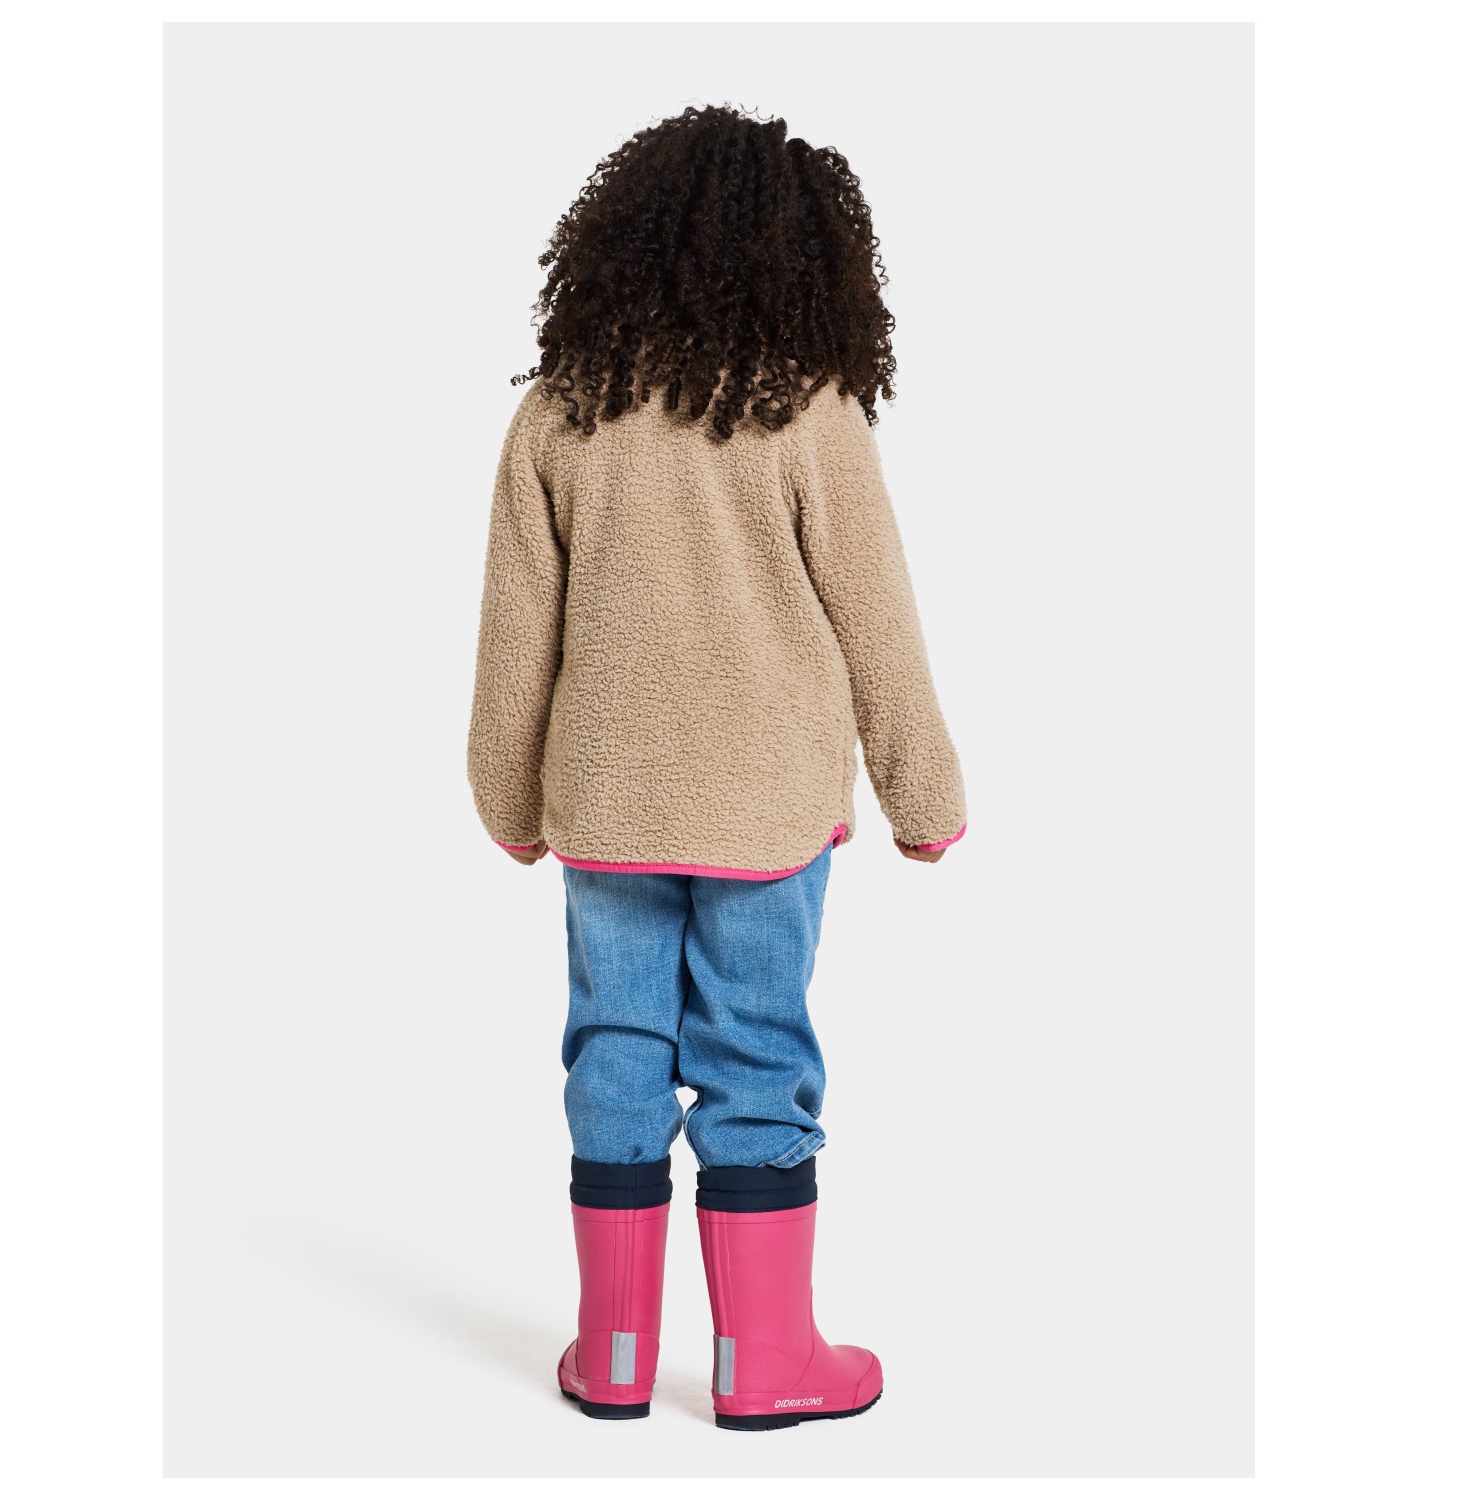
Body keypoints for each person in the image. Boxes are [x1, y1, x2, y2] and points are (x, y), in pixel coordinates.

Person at [467, 104, 966, 1432]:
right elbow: (879, 623)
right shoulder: (810, 413)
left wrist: (506, 795)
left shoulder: (559, 415)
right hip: (765, 807)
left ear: (621, 238)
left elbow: (515, 635)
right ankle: (764, 1363)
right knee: (757, 1049)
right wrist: (923, 795)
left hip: (607, 806)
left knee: (615, 1048)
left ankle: (616, 1353)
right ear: (806, 253)